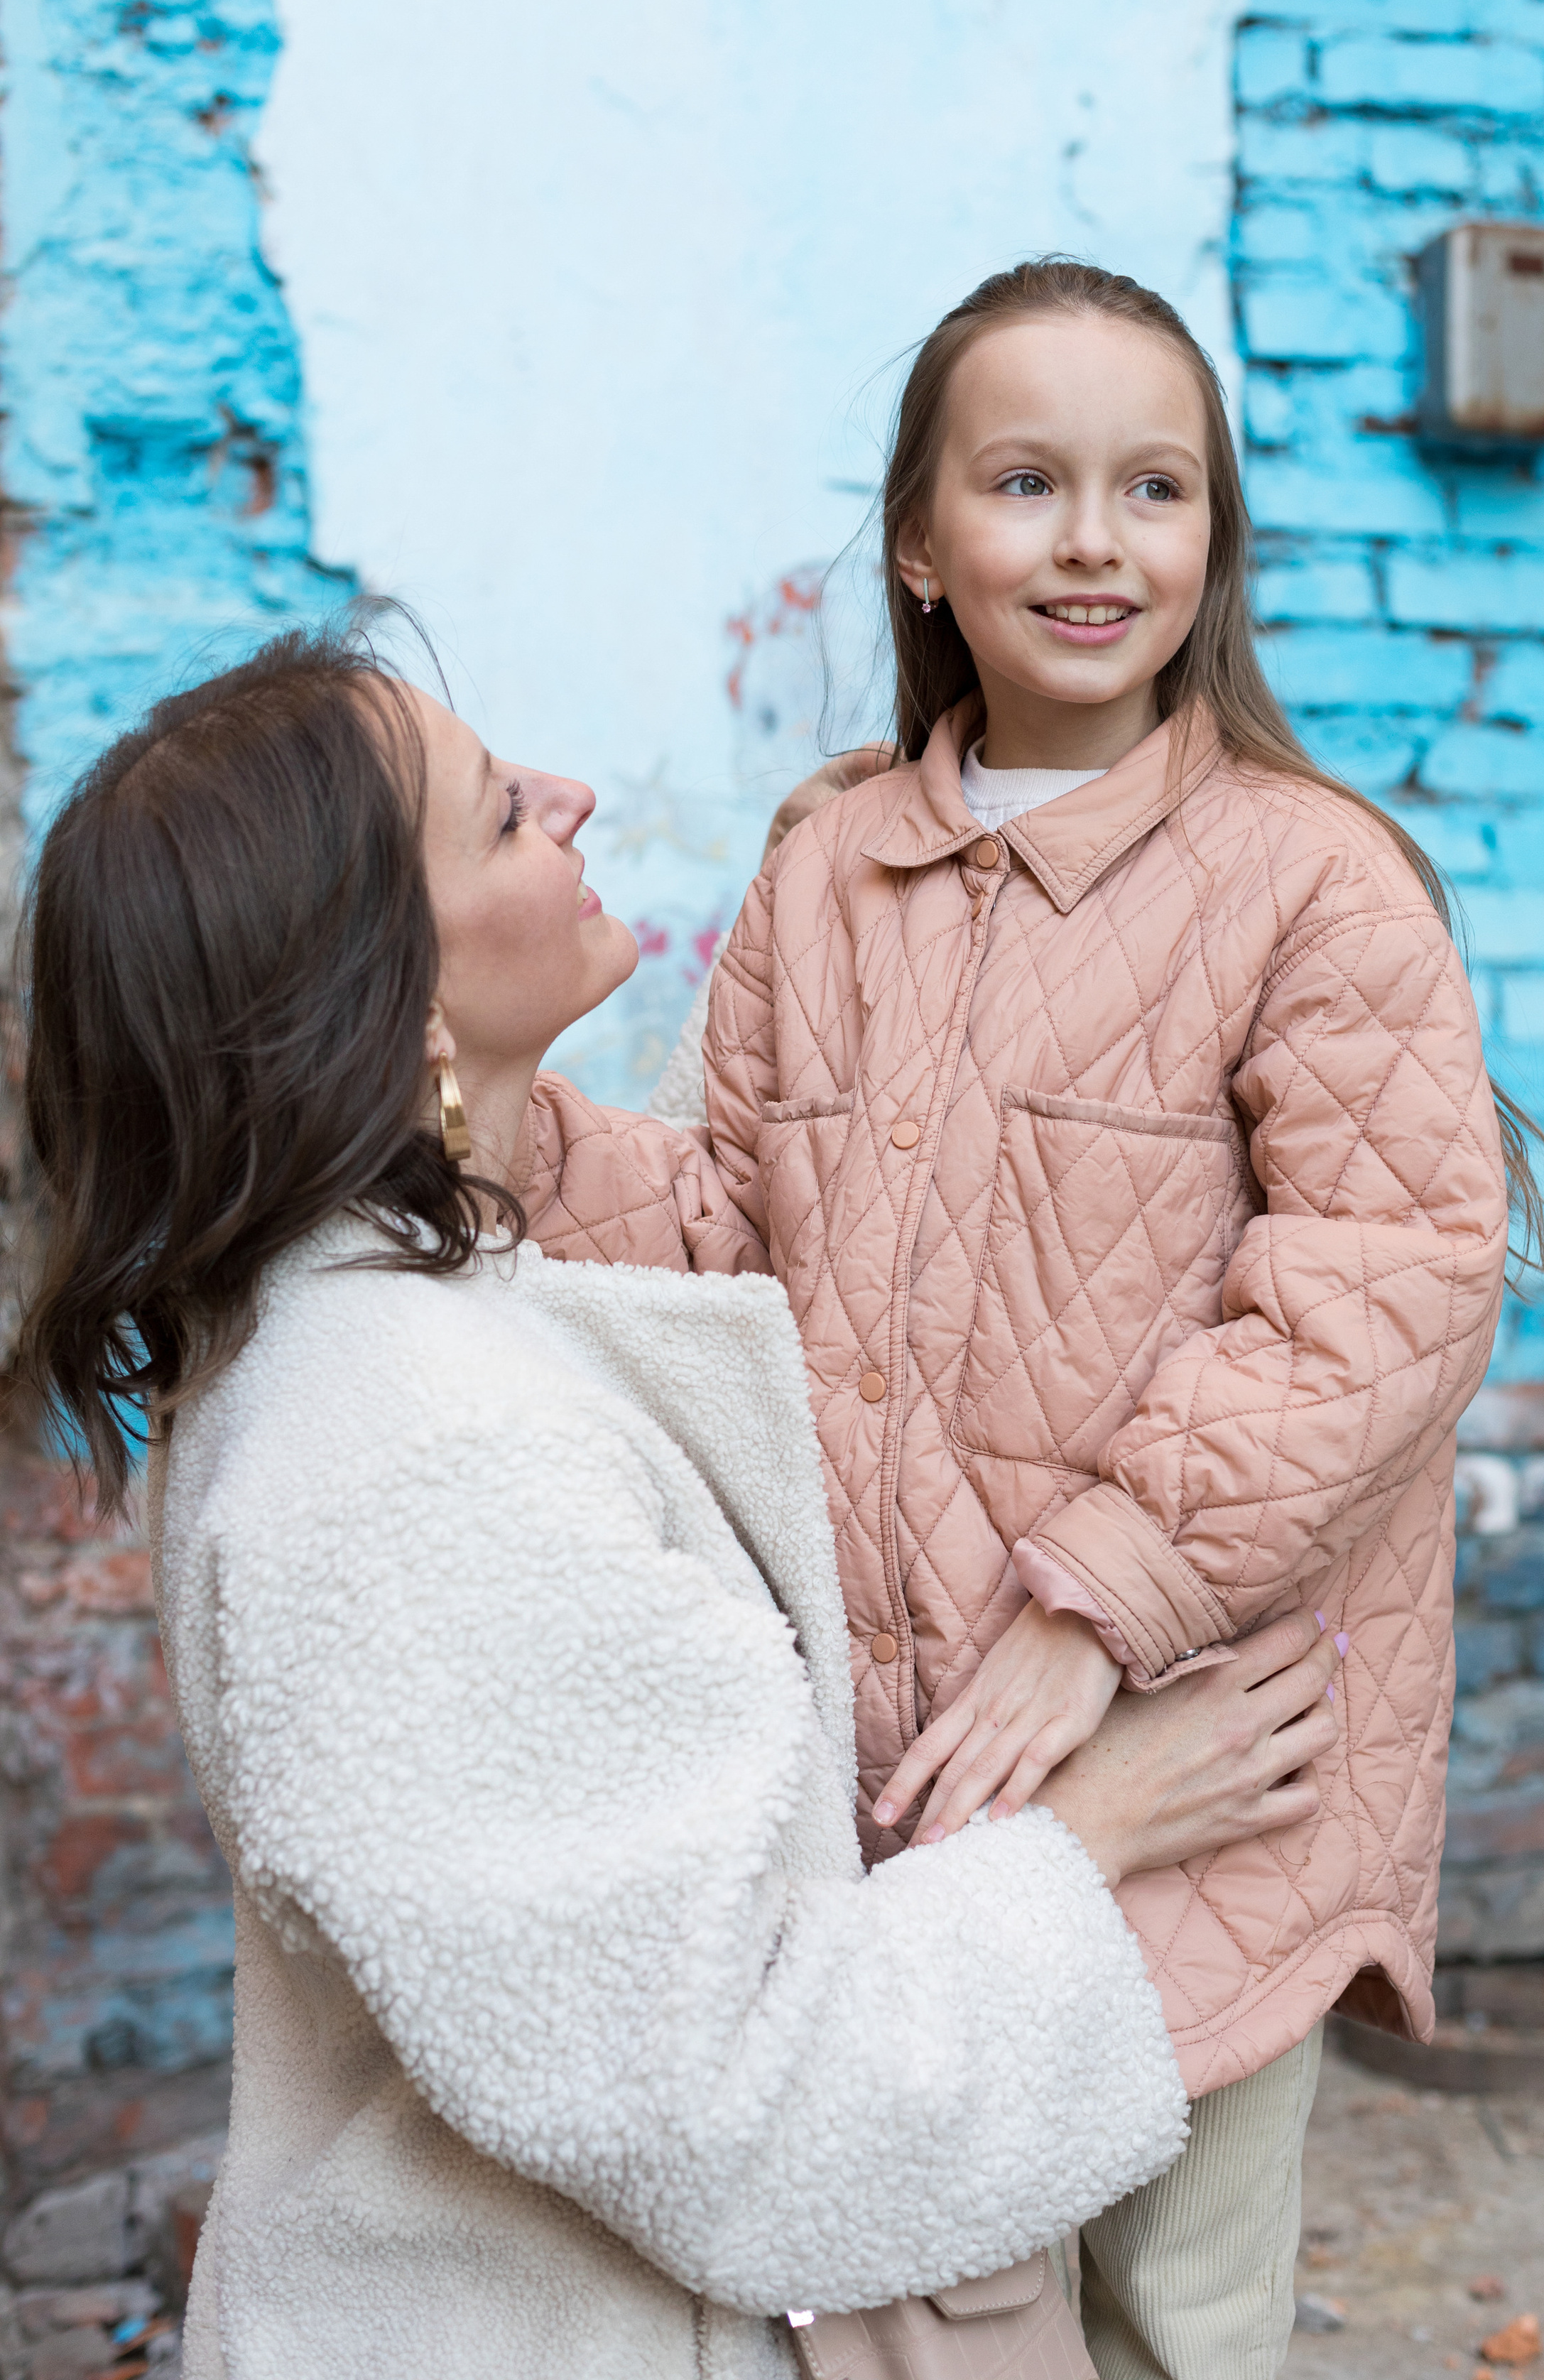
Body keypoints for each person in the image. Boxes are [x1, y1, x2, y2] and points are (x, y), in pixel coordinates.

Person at [8, 627, 1344, 2380]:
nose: (567, 799)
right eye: (497, 815)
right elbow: (727, 2108)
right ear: (393, 994)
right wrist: (1084, 1838)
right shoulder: (414, 1453)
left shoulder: (400, 1334)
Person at [600, 259, 1544, 2380]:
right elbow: (710, 1217)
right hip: (917, 1760)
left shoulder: (1306, 883)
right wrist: (461, 1129)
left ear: (1214, 543)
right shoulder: (827, 867)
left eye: (1157, 489)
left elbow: (1386, 1285)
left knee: (1175, 2302)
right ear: (925, 544)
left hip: (1197, 1742)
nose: (1097, 540)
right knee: (940, 2289)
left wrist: (1098, 1592)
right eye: (1027, 483)